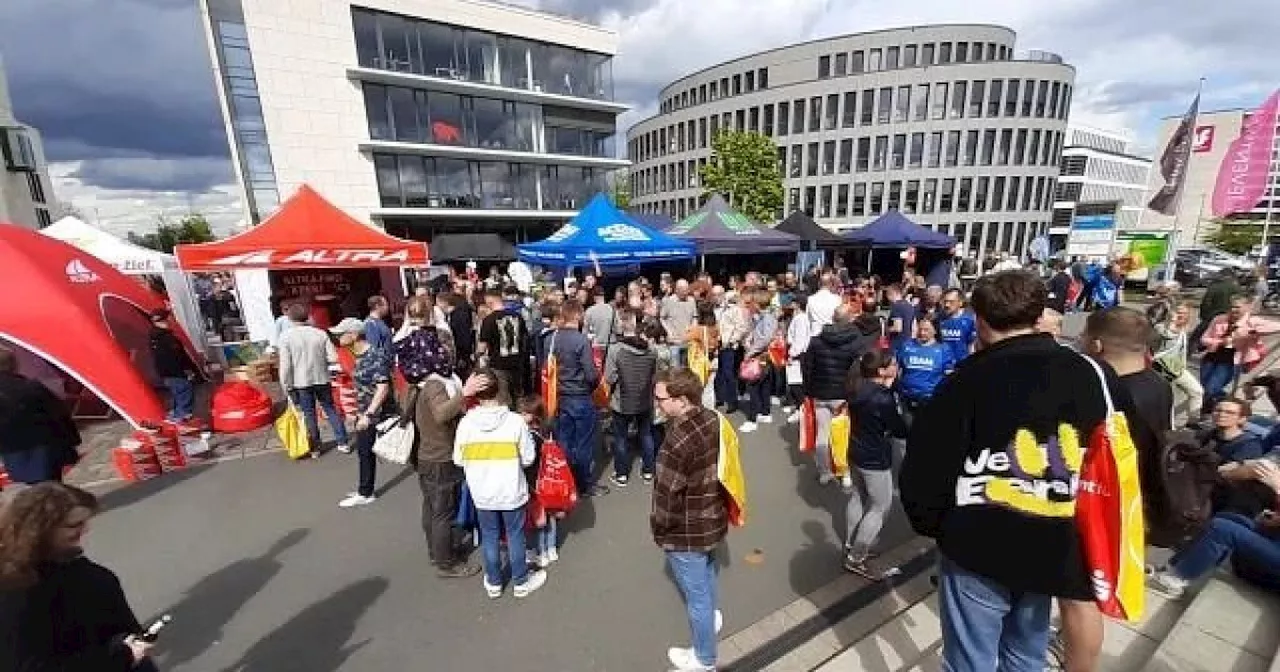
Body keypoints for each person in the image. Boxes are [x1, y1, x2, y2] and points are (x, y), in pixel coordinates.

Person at [901, 270, 1119, 672]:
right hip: (1053, 535)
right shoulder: (1088, 372)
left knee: (971, 659)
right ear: (1038, 316)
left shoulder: (965, 380)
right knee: (1025, 652)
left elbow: (926, 467)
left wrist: (938, 526)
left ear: (980, 320)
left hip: (977, 542)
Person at [0, 483, 157, 671]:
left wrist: (133, 643)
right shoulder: (18, 589)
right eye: (74, 525)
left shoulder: (69, 562)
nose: (85, 530)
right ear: (41, 529)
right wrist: (121, 655)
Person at [652, 367, 727, 672]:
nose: (657, 403)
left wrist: (659, 529)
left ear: (681, 400)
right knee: (707, 572)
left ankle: (704, 657)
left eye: (661, 399)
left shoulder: (676, 440)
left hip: (684, 528)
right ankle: (712, 617)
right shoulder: (712, 418)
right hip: (712, 514)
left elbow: (666, 495)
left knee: (695, 593)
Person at [453, 369, 547, 599]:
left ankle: (494, 582)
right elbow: (528, 459)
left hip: (482, 493)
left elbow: (458, 459)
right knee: (515, 535)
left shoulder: (466, 424)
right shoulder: (515, 422)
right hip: (511, 490)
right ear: (500, 390)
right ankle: (521, 582)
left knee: (489, 535)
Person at [411, 329, 485, 578]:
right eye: (444, 346)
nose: (449, 350)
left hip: (429, 456)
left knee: (432, 508)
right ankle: (446, 561)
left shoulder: (425, 380)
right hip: (440, 456)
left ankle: (436, 551)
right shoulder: (434, 384)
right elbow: (442, 413)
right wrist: (466, 393)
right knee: (443, 510)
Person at [842, 349, 909, 577]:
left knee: (858, 496)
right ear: (881, 370)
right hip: (875, 456)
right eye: (892, 363)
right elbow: (899, 427)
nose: (896, 366)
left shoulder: (855, 387)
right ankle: (857, 557)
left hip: (855, 449)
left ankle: (851, 543)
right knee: (881, 507)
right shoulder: (882, 397)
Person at [804, 307, 877, 484]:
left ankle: (825, 472)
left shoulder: (816, 341)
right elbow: (862, 368)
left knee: (822, 435)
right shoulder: (857, 340)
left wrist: (809, 390)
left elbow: (807, 367)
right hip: (845, 395)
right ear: (850, 318)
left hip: (821, 393)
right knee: (844, 435)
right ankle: (845, 473)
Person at [330, 318, 395, 508]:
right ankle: (365, 489)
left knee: (368, 450)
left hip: (374, 412)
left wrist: (368, 414)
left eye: (341, 333)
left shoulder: (374, 355)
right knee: (364, 451)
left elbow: (382, 387)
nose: (337, 337)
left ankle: (365, 492)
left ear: (354, 335)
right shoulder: (358, 355)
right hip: (364, 410)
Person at [276, 303, 349, 458]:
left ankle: (315, 447)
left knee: (309, 414)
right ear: (307, 316)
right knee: (330, 408)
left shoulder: (286, 337)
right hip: (322, 377)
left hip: (300, 381)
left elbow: (286, 366)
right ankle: (343, 442)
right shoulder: (320, 334)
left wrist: (285, 384)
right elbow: (333, 357)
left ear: (289, 318)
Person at [0, 346, 80, 484]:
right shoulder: (31, 386)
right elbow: (58, 412)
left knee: (37, 484)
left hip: (13, 450)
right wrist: (72, 440)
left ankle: (50, 502)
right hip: (44, 447)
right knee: (51, 482)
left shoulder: (30, 386)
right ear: (13, 365)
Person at [549, 300, 605, 497]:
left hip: (559, 396)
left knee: (564, 440)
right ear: (579, 316)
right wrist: (595, 383)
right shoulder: (581, 340)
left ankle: (566, 479)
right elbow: (591, 374)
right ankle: (584, 484)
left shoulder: (552, 338)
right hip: (580, 394)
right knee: (584, 443)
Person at [1200, 295, 1280, 415]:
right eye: (1231, 307)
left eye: (1237, 307)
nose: (1233, 310)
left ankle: (1210, 413)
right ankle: (1225, 405)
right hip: (1212, 355)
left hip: (1232, 359)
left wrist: (1254, 331)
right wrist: (1220, 342)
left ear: (1247, 307)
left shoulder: (1252, 322)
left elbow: (1276, 326)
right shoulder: (1219, 319)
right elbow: (1204, 339)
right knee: (1205, 389)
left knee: (1212, 388)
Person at [605, 310, 659, 487]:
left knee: (621, 437)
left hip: (622, 400)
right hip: (644, 399)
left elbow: (610, 377)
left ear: (620, 325)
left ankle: (621, 474)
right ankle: (649, 471)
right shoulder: (651, 350)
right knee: (646, 434)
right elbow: (654, 375)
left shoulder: (616, 350)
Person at [518, 396, 560, 567]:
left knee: (536, 519)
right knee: (550, 517)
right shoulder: (547, 431)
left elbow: (527, 461)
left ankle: (539, 551)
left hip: (533, 483)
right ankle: (551, 548)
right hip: (549, 481)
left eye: (523, 413)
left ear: (533, 415)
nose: (519, 416)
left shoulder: (529, 436)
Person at [1153, 302, 1204, 424]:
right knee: (1164, 399)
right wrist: (1172, 322)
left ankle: (1193, 421)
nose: (1182, 316)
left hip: (1178, 369)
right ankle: (1164, 424)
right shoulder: (1161, 327)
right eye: (1179, 312)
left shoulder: (1184, 329)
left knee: (1197, 391)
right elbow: (1167, 335)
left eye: (1185, 313)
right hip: (1161, 368)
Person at [478, 289, 529, 406]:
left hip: (498, 365)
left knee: (503, 399)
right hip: (517, 363)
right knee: (518, 397)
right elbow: (524, 338)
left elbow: (482, 347)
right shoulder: (518, 316)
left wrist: (479, 357)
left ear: (489, 302)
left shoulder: (489, 320)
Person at [149, 308, 200, 423]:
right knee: (185, 394)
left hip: (165, 373)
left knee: (178, 395)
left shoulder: (153, 336)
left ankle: (176, 416)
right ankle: (181, 421)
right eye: (170, 317)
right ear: (165, 319)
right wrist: (189, 370)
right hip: (175, 372)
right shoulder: (168, 338)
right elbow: (179, 356)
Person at [895, 318, 955, 416]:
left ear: (935, 330)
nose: (922, 333)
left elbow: (949, 376)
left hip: (930, 400)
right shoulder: (907, 346)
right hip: (907, 399)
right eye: (920, 329)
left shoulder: (943, 350)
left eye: (926, 330)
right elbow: (896, 368)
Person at [739, 290, 778, 433]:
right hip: (763, 355)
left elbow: (765, 338)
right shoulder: (762, 317)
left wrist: (750, 352)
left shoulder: (767, 318)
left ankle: (752, 419)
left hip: (760, 355)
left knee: (753, 385)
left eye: (753, 301)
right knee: (764, 384)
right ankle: (765, 412)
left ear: (758, 303)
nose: (751, 304)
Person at [1202, 398, 1265, 464]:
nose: (1221, 415)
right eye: (1218, 410)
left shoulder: (1249, 445)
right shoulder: (1207, 435)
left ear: (1242, 419)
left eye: (1230, 412)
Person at [714, 289, 747, 414]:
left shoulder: (734, 309)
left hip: (728, 345)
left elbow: (741, 327)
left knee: (728, 373)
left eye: (719, 295)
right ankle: (720, 398)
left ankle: (732, 402)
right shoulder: (716, 309)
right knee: (719, 372)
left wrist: (732, 340)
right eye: (715, 295)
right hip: (718, 344)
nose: (716, 297)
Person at [783, 294, 811, 421]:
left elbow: (799, 340)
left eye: (793, 302)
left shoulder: (800, 319)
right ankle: (799, 407)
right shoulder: (802, 317)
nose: (790, 304)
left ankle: (801, 409)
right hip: (799, 353)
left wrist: (792, 354)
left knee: (796, 383)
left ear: (798, 304)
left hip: (797, 354)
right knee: (796, 382)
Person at [661, 279, 698, 367]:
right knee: (675, 368)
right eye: (684, 290)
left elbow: (694, 317)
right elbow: (662, 318)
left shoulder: (691, 301)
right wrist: (669, 331)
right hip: (674, 341)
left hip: (688, 340)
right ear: (677, 290)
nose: (686, 292)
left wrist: (693, 328)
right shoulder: (669, 301)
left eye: (687, 290)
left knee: (687, 368)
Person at [937, 288, 978, 363]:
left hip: (962, 363)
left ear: (960, 303)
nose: (947, 305)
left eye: (951, 302)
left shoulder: (969, 320)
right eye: (945, 301)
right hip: (943, 363)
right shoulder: (939, 319)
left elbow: (972, 345)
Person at [885, 284, 916, 349]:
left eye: (888, 295)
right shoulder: (910, 306)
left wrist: (886, 330)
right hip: (908, 342)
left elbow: (898, 328)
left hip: (897, 343)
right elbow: (914, 327)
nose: (888, 298)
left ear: (893, 293)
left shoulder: (896, 306)